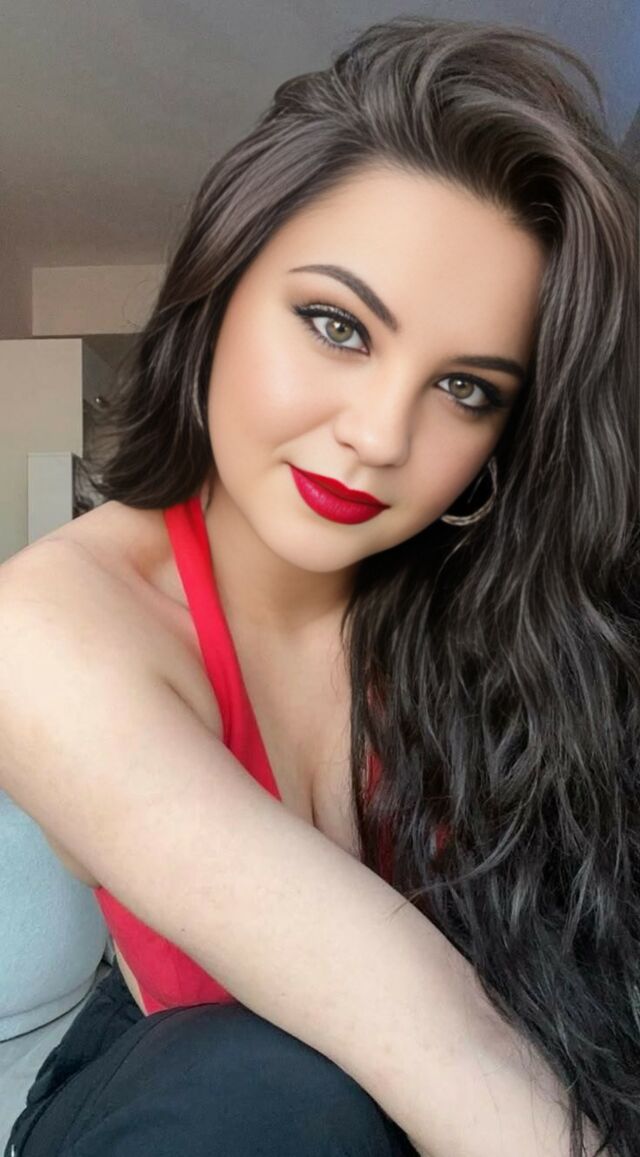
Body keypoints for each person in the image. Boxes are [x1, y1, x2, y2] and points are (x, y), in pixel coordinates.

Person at [0, 14, 637, 1157]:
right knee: (270, 1079)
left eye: (466, 388)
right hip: (202, 1106)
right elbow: (439, 1041)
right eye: (337, 325)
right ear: (217, 289)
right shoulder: (46, 629)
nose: (381, 435)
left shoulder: (495, 611)